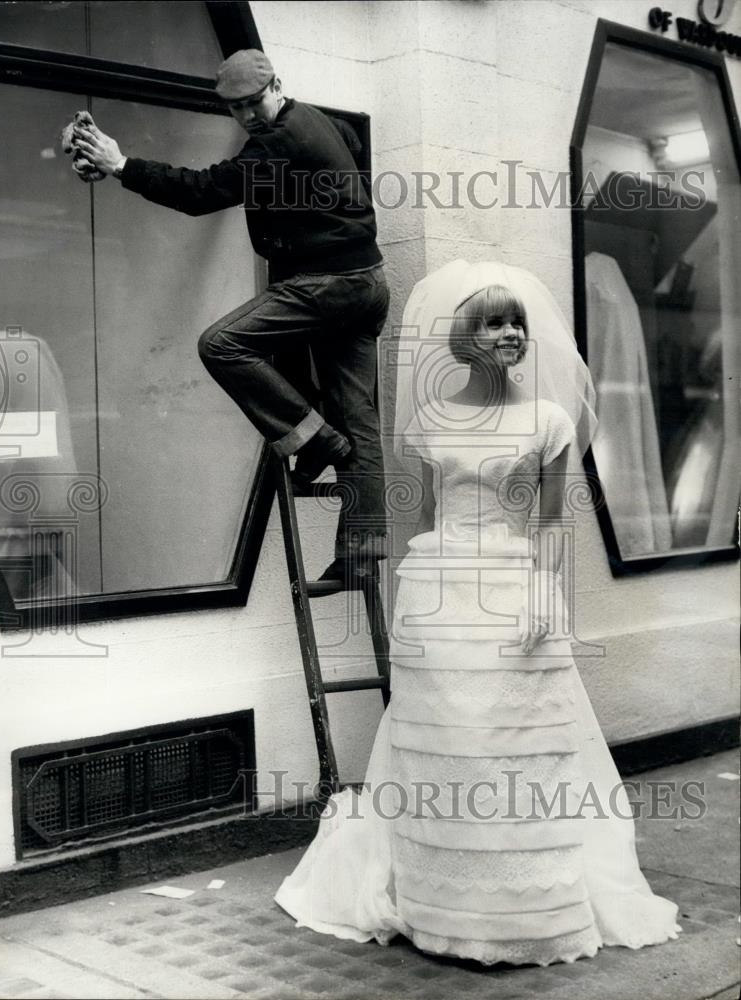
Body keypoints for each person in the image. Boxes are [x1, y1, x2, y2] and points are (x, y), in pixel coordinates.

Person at [274, 260, 682, 966]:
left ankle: (516, 908)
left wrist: (544, 594)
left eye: (516, 322)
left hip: (511, 588)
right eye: (493, 322)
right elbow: (428, 513)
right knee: (446, 741)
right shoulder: (432, 419)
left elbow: (550, 521)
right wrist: (418, 598)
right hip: (441, 591)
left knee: (510, 741)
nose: (509, 334)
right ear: (466, 336)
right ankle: (438, 902)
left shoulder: (548, 421)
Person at [71, 49, 390, 579]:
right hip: (365, 282)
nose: (245, 116)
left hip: (330, 283)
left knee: (221, 344)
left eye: (253, 103)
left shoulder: (278, 141)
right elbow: (350, 149)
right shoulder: (318, 122)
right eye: (235, 108)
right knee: (359, 416)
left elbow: (201, 193)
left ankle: (314, 439)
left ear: (277, 86)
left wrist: (121, 165)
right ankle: (361, 555)